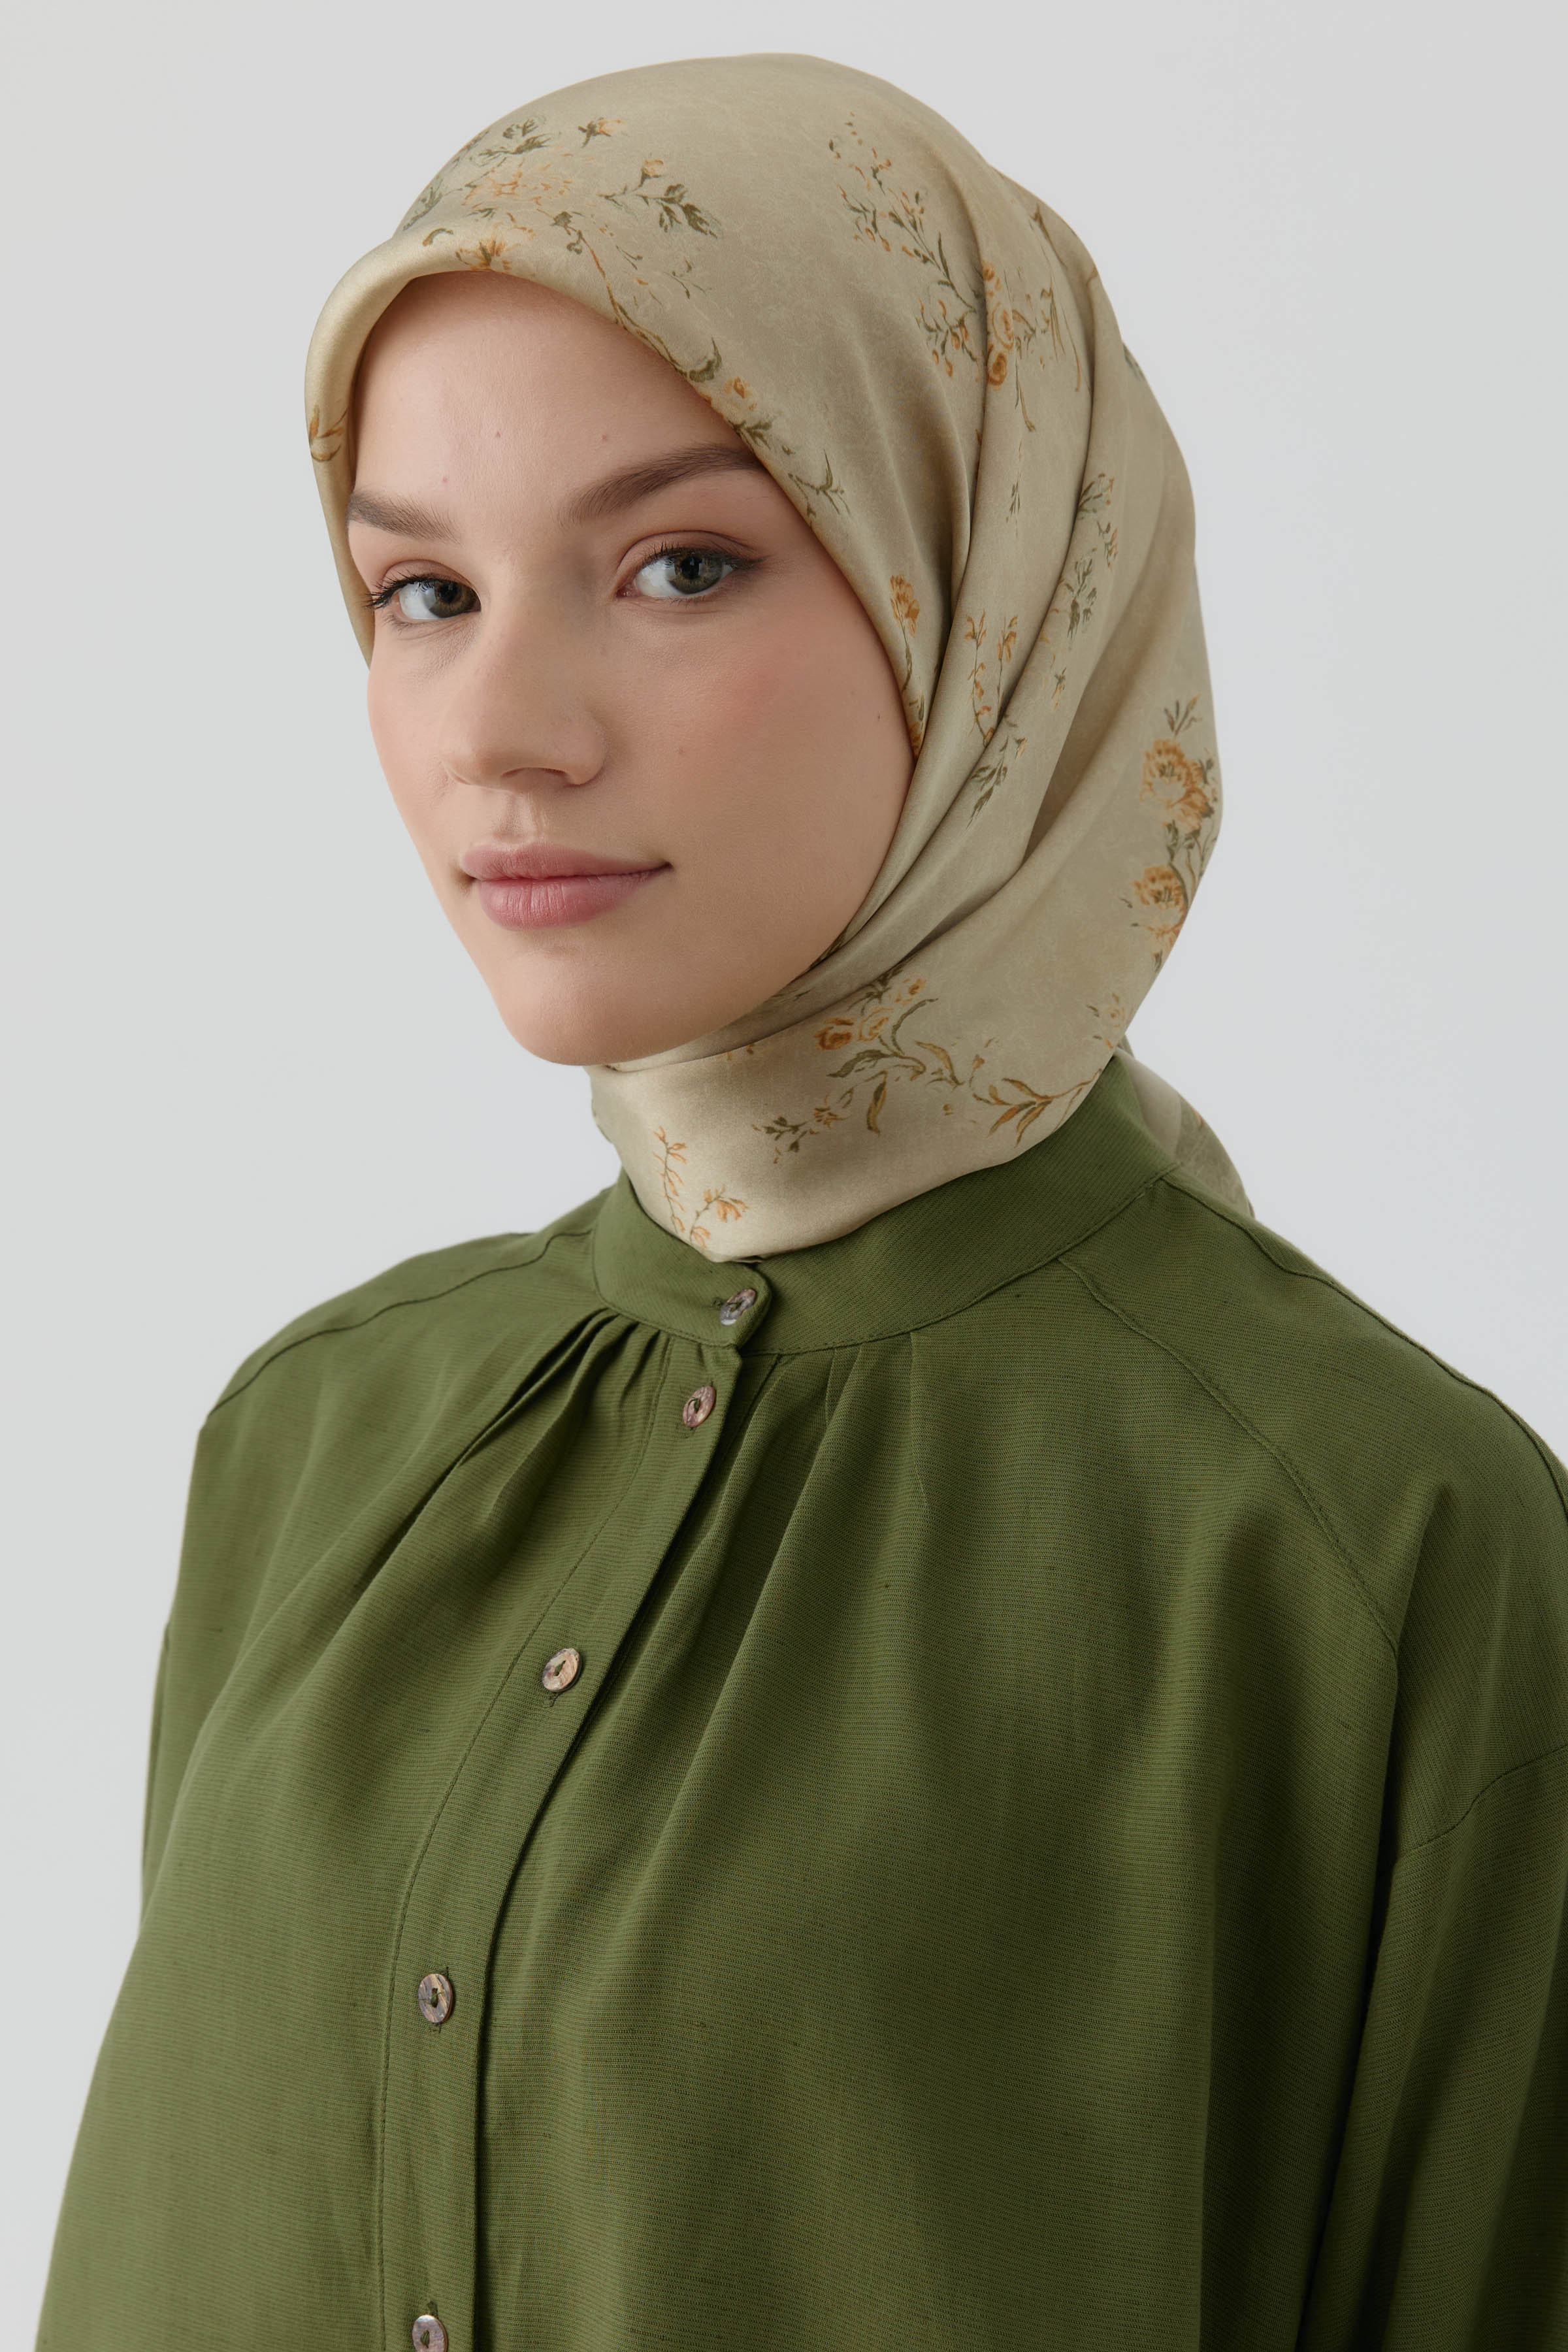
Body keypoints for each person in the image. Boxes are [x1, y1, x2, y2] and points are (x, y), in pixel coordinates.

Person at [38, 52, 1568, 2352]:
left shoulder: (1371, 1550)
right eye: (423, 590)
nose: (501, 728)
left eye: (681, 564)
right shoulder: (317, 1442)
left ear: (993, 594)